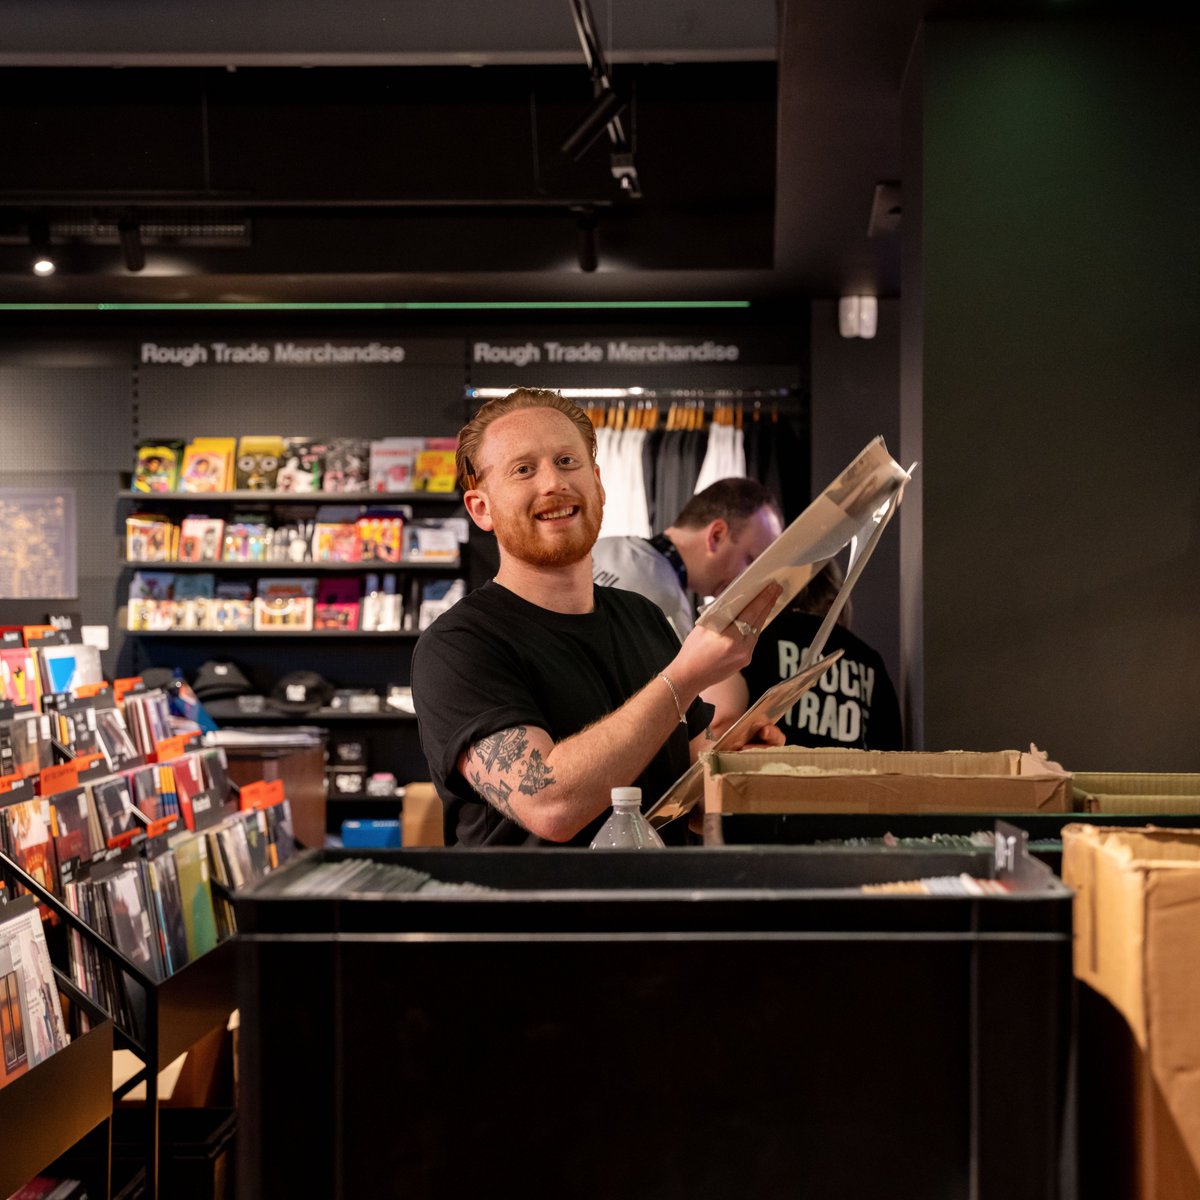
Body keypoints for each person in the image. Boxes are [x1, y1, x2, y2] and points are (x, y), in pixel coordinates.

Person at [411, 387, 784, 847]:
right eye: (524, 470)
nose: (553, 483)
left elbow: (690, 789)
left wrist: (739, 760)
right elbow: (549, 805)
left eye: (567, 462)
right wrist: (685, 677)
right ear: (481, 509)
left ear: (599, 484)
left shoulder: (645, 618)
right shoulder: (457, 646)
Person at [591, 476, 783, 730]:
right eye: (751, 561)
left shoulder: (601, 546)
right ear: (715, 535)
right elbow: (712, 714)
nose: (752, 581)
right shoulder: (666, 607)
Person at [738, 559, 903, 750]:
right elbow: (891, 750)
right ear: (834, 595)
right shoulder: (868, 659)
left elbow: (728, 720)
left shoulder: (760, 638)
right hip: (850, 778)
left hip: (769, 774)